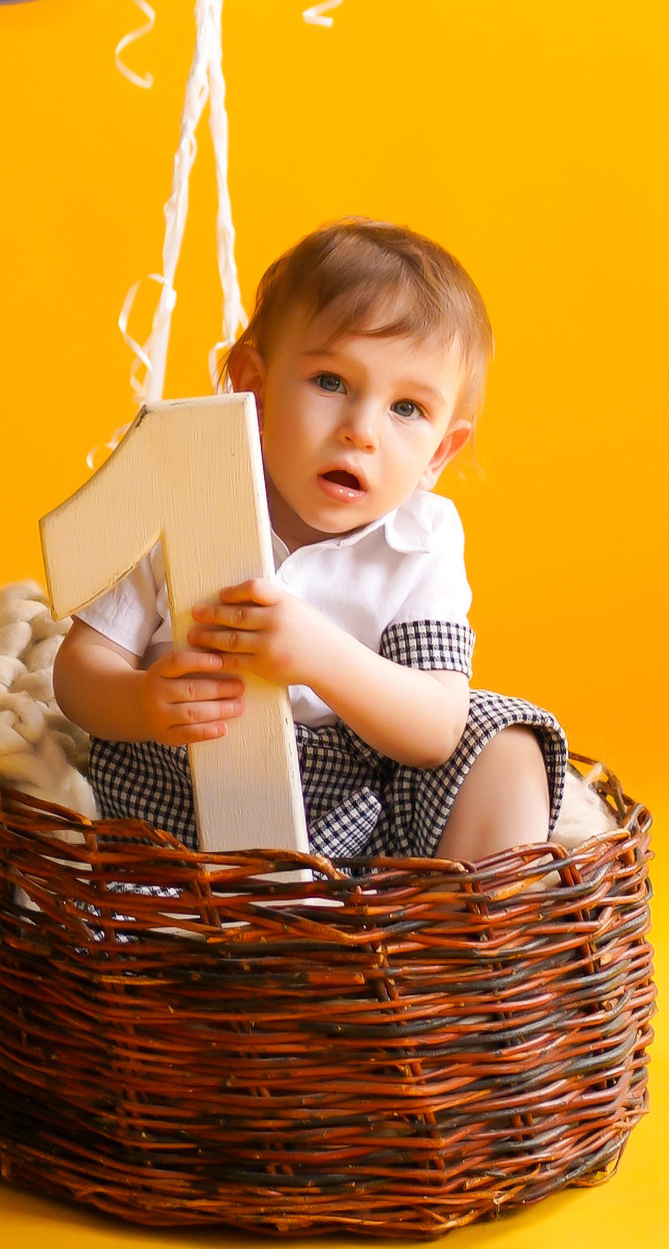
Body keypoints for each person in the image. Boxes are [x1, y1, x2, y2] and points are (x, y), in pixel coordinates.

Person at [53, 219, 568, 864]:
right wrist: (140, 701)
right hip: (181, 804)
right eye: (332, 383)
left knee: (508, 743)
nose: (362, 431)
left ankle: (447, 933)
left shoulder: (418, 541)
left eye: (406, 408)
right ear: (253, 388)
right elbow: (78, 670)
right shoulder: (188, 498)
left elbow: (435, 729)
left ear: (440, 451)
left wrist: (321, 655)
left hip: (356, 826)